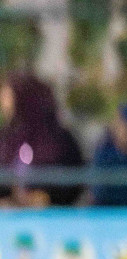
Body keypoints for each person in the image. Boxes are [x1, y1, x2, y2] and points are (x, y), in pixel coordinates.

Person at [0, 74, 85, 207]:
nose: (3, 103)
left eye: (6, 96)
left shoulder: (58, 139)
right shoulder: (6, 139)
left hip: (51, 218)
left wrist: (46, 196)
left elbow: (74, 178)